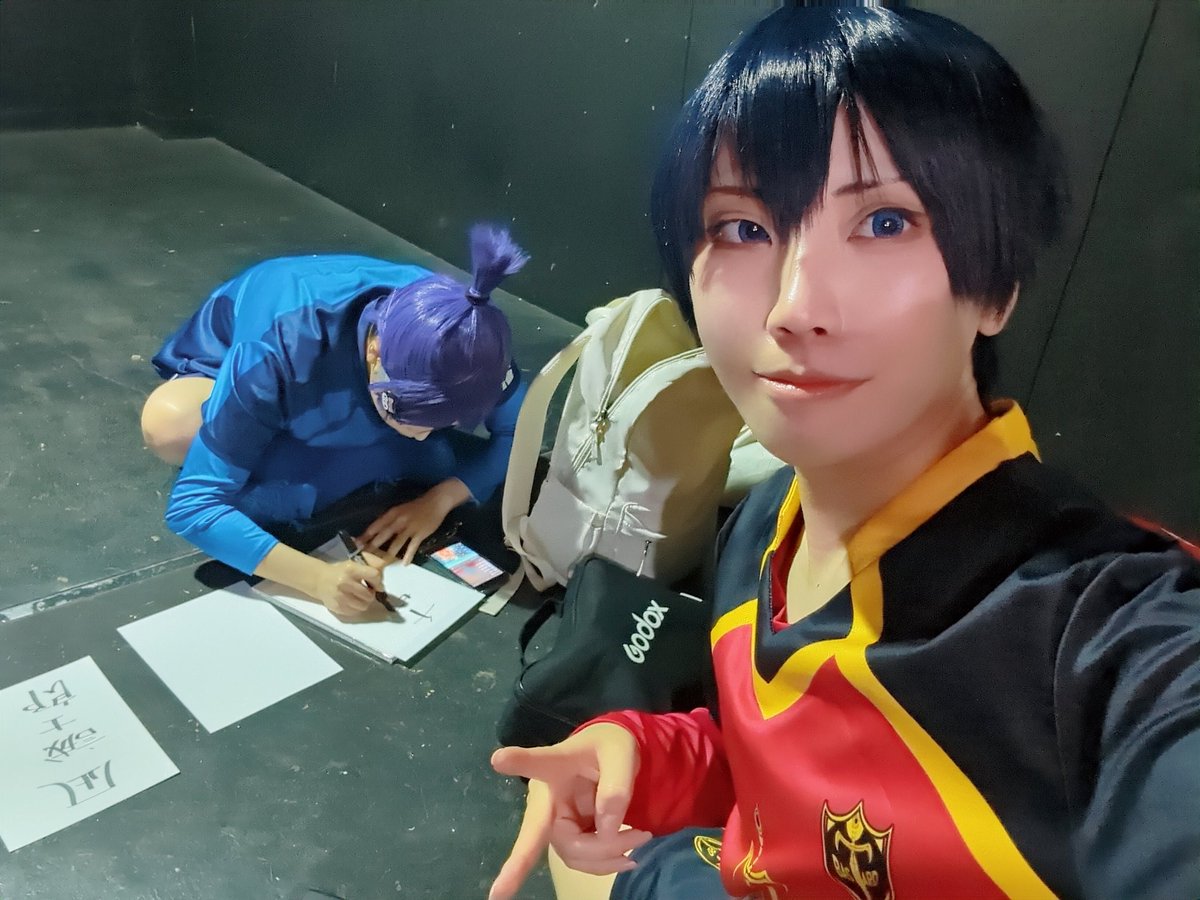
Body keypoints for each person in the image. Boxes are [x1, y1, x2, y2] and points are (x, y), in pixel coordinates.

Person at [488, 6, 1200, 900]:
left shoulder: (1103, 643)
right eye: (743, 228)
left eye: (887, 222)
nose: (796, 307)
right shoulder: (763, 525)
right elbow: (773, 767)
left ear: (997, 285)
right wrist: (646, 752)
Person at [140, 225, 528, 618]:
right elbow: (195, 507)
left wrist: (441, 499)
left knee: (429, 456)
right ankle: (364, 460)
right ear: (375, 351)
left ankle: (362, 453)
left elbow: (520, 431)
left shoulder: (471, 339)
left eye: (445, 421)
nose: (422, 433)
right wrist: (317, 578)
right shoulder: (278, 347)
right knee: (171, 427)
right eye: (409, 414)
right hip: (279, 367)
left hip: (342, 391)